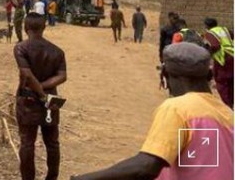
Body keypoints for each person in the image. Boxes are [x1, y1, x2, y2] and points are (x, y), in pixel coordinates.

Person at [70, 42, 233, 180]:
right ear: (209, 75)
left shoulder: (177, 108)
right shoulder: (228, 114)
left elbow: (147, 166)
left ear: (165, 75)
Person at [14, 13, 67, 180]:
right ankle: (52, 177)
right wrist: (45, 91)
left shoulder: (21, 48)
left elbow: (27, 75)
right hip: (51, 101)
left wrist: (38, 91)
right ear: (44, 27)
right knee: (52, 143)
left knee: (27, 143)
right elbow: (62, 76)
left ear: (25, 27)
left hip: (28, 100)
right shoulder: (57, 51)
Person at [202, 17, 233, 108]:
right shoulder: (225, 29)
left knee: (222, 83)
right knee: (231, 81)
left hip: (223, 60)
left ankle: (228, 105)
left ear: (206, 26)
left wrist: (207, 57)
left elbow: (215, 46)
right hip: (232, 55)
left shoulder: (210, 33)